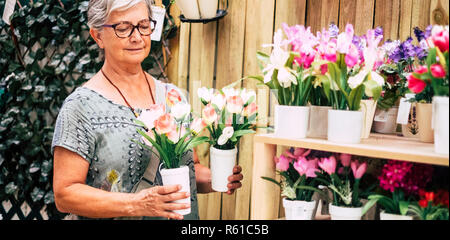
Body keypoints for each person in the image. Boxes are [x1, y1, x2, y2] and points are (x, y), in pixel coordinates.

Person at [51, 0, 243, 220]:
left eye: (143, 25)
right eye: (123, 28)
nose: (137, 37)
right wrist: (137, 204)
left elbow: (189, 168)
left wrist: (217, 179)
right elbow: (65, 194)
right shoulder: (81, 107)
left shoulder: (174, 97)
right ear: (98, 36)